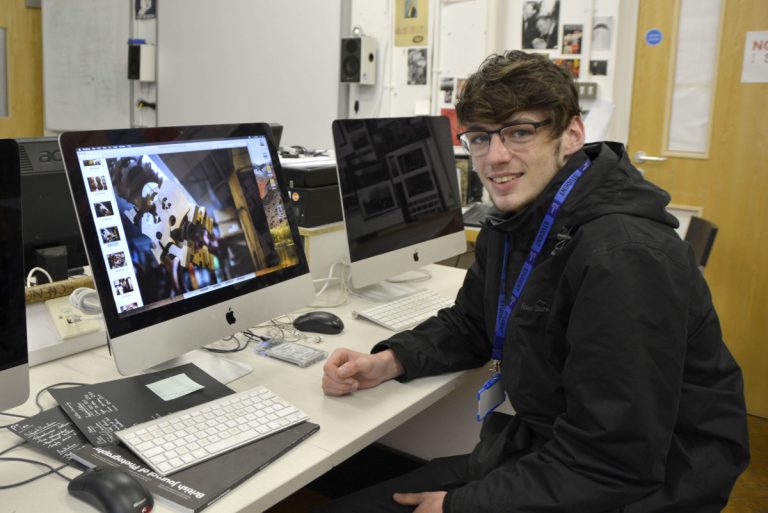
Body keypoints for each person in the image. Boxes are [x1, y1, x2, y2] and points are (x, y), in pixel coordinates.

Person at [317, 50, 749, 513]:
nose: (496, 157)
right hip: (555, 450)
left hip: (647, 484)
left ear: (572, 135)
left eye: (520, 132)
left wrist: (459, 507)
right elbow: (472, 324)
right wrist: (392, 360)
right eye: (480, 138)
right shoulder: (520, 219)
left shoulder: (622, 257)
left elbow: (615, 459)